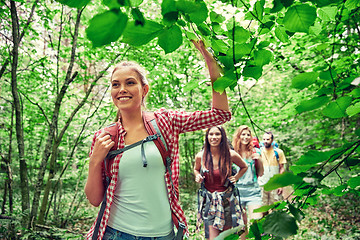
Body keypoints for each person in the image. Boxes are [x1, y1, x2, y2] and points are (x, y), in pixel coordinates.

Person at [84, 40, 232, 240]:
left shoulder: (166, 122)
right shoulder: (105, 137)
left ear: (144, 90)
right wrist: (95, 160)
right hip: (117, 233)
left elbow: (220, 115)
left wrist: (210, 63)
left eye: (130, 82)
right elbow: (95, 200)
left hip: (164, 234)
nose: (122, 89)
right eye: (115, 84)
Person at [194, 126, 248, 240]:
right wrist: (197, 176)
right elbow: (196, 169)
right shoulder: (201, 156)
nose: (214, 137)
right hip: (209, 202)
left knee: (226, 237)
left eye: (217, 134)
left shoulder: (230, 154)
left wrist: (236, 177)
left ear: (222, 136)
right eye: (211, 134)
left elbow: (244, 166)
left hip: (227, 201)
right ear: (207, 137)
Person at [232, 126, 264, 237]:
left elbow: (260, 173)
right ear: (238, 136)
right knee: (241, 226)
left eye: (248, 135)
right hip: (237, 193)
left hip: (253, 192)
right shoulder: (233, 153)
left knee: (257, 223)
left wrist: (259, 159)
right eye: (243, 134)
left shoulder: (256, 151)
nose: (246, 137)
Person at [258, 131, 287, 206]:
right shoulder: (259, 152)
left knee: (276, 208)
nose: (265, 141)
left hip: (275, 185)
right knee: (262, 209)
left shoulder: (278, 152)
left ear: (272, 140)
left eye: (267, 139)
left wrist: (281, 185)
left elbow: (282, 169)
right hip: (262, 185)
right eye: (264, 139)